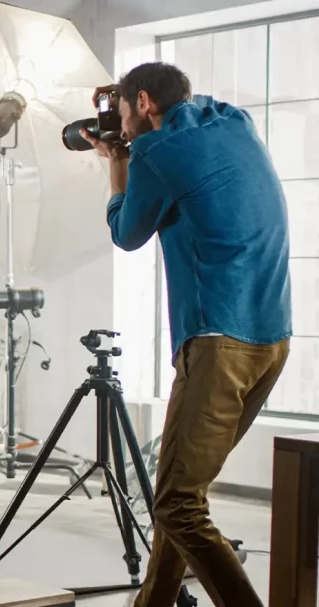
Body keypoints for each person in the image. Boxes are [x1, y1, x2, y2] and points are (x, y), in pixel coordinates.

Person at [81, 63, 291, 607]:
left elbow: (127, 234)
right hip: (273, 339)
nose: (121, 129)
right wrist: (124, 114)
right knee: (182, 493)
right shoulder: (235, 121)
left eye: (125, 115)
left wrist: (119, 164)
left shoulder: (154, 154)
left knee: (175, 505)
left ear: (145, 101)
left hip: (219, 343)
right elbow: (184, 114)